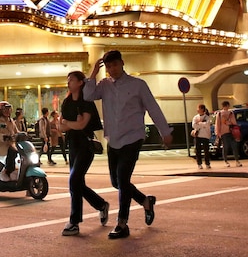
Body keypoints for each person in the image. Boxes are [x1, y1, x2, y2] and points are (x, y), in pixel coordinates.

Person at [84, 50, 173, 239]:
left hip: (133, 137)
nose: (111, 69)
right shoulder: (104, 85)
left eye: (114, 65)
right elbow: (87, 95)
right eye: (108, 67)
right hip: (113, 139)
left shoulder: (138, 85)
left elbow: (153, 107)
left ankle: (122, 223)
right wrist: (93, 73)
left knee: (123, 180)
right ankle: (145, 201)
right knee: (116, 182)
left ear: (122, 63)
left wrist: (165, 132)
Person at [59, 70, 109, 236]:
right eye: (68, 80)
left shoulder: (86, 101)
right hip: (72, 145)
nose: (69, 83)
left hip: (85, 146)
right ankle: (101, 205)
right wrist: (73, 123)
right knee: (77, 183)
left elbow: (82, 125)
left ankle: (74, 221)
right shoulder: (66, 103)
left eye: (72, 80)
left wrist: (70, 123)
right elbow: (61, 127)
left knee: (74, 180)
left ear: (80, 82)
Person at [0, 101, 20, 181]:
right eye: (5, 110)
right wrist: (4, 137)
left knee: (18, 153)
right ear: (0, 111)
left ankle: (13, 171)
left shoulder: (11, 120)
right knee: (12, 151)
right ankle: (4, 171)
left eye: (9, 109)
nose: (7, 111)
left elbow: (16, 131)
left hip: (11, 144)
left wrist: (24, 135)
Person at [214, 100, 241, 167]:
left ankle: (227, 161)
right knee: (230, 146)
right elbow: (234, 122)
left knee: (227, 147)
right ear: (227, 106)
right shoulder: (222, 113)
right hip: (228, 131)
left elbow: (217, 124)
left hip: (225, 132)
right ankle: (234, 161)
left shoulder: (225, 113)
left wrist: (218, 132)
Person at [192, 104, 212, 170]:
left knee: (206, 150)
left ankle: (207, 163)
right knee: (198, 150)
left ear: (202, 109)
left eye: (198, 108)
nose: (197, 109)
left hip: (205, 135)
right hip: (198, 135)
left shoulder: (207, 117)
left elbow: (207, 124)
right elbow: (194, 125)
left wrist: (199, 124)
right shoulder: (195, 117)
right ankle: (199, 164)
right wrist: (202, 125)